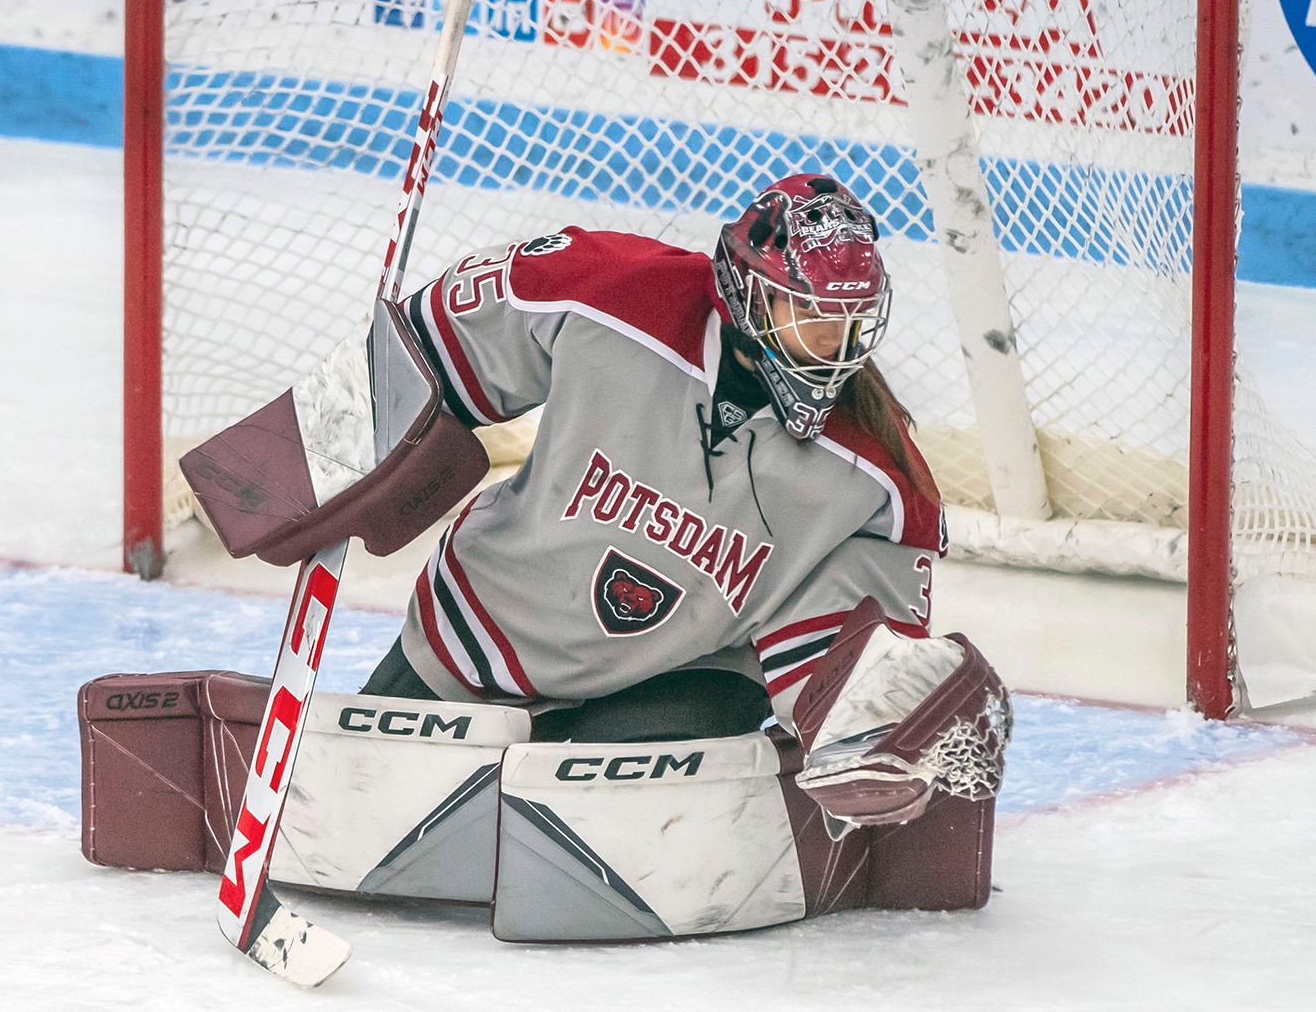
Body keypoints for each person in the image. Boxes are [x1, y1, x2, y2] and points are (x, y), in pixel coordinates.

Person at [358, 173, 948, 746]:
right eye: (811, 312)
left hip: (683, 675)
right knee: (366, 825)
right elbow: (429, 345)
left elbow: (842, 670)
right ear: (749, 289)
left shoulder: (881, 479)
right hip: (489, 626)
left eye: (851, 318)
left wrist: (864, 727)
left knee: (613, 841)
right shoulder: (617, 292)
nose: (834, 341)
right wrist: (350, 431)